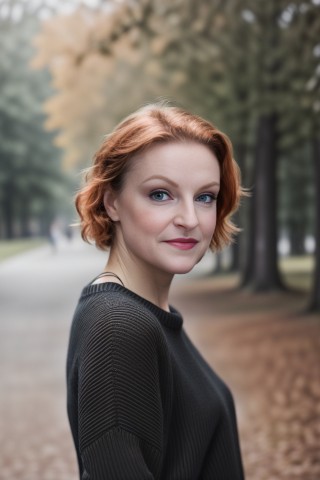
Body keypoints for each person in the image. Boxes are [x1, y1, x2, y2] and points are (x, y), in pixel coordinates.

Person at [66, 103, 246, 480]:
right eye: (161, 194)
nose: (190, 219)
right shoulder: (118, 326)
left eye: (205, 197)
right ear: (111, 201)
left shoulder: (148, 316)